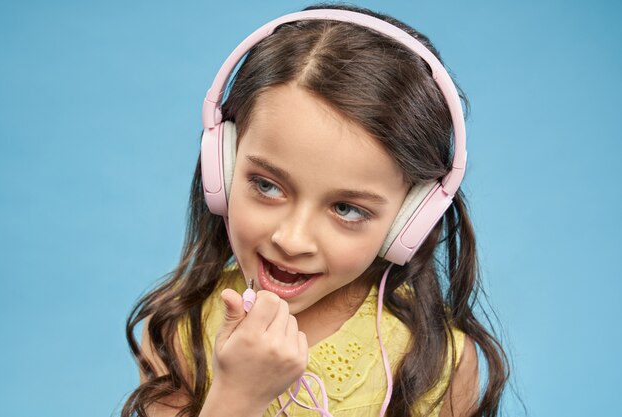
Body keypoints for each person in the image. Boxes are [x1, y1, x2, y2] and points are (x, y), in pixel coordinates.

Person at [121, 3, 509, 417]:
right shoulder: (182, 329)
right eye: (267, 186)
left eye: (347, 208)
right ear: (224, 165)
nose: (292, 239)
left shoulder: (437, 361)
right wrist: (237, 395)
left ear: (409, 219)